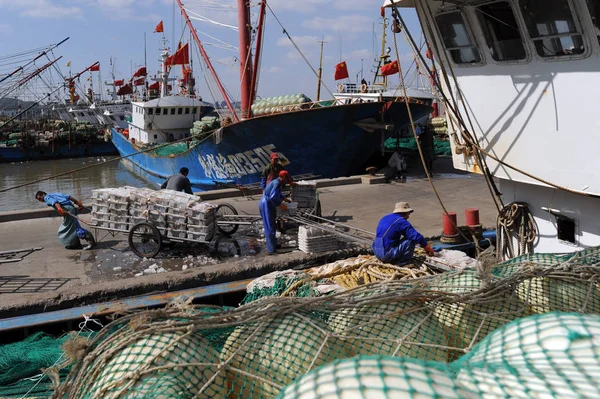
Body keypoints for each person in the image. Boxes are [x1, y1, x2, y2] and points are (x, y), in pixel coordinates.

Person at [259, 170, 292, 255]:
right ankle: (271, 250)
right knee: (269, 226)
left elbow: (278, 194)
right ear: (283, 177)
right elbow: (273, 197)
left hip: (267, 203)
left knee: (272, 225)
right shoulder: (277, 183)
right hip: (266, 203)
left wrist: (285, 199)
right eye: (286, 178)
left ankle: (273, 244)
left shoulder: (277, 182)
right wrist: (281, 204)